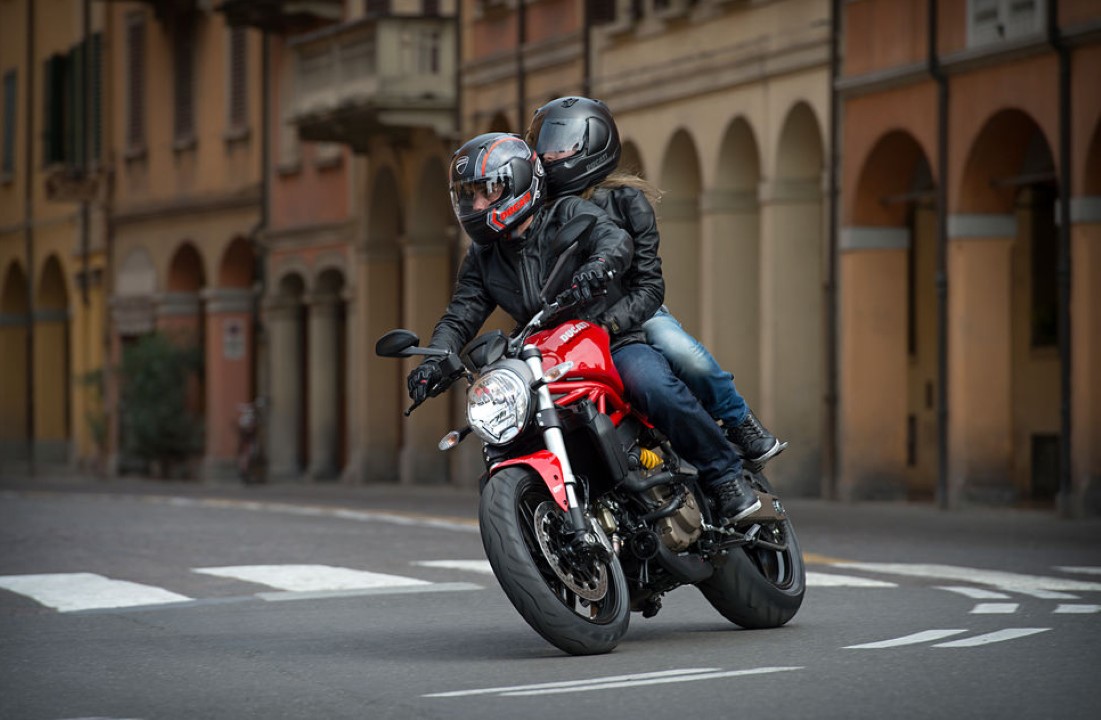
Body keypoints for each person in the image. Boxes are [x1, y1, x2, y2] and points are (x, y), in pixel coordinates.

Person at [408, 132, 760, 522]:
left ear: (520, 181)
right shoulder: (482, 257)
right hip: (545, 355)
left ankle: (725, 475)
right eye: (466, 195)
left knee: (651, 384)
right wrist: (434, 359)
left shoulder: (568, 212)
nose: (474, 205)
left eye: (485, 192)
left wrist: (600, 266)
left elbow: (613, 240)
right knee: (512, 428)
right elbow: (461, 314)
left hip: (609, 338)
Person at [525, 96, 785, 467]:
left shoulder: (628, 201)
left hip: (635, 311)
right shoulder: (535, 211)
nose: (548, 156)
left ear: (594, 143)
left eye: (559, 145)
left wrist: (609, 323)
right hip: (569, 330)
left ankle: (739, 419)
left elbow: (648, 283)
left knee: (681, 351)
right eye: (543, 146)